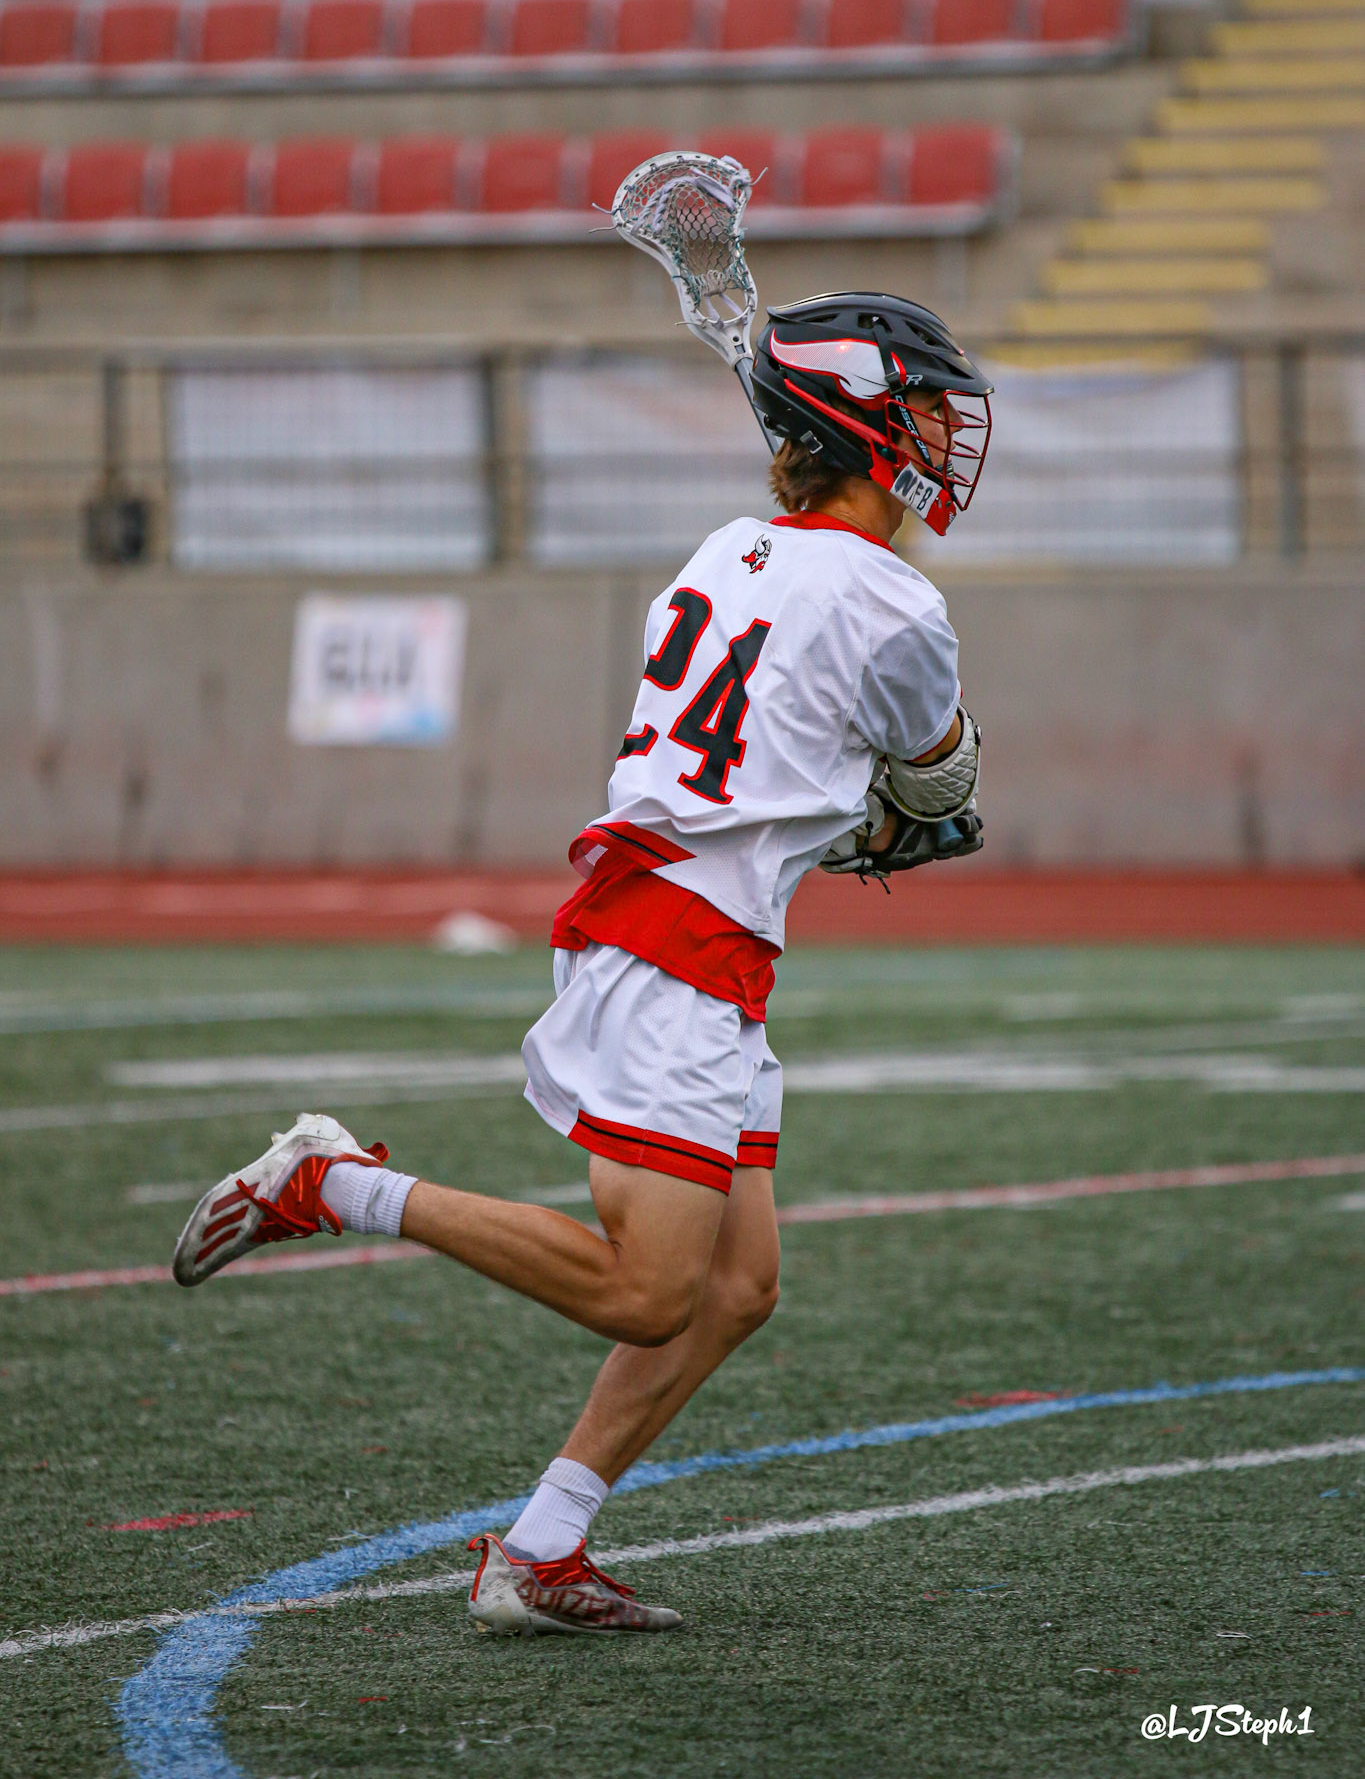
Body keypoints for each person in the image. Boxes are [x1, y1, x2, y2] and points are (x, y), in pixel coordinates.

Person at [172, 293, 992, 1637]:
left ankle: (539, 1551)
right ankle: (331, 1183)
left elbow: (781, 738)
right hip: (677, 952)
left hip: (681, 931)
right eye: (921, 413)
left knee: (734, 1290)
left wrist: (849, 806)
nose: (943, 440)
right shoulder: (898, 600)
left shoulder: (725, 547)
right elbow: (935, 770)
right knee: (649, 1292)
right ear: (863, 427)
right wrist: (909, 806)